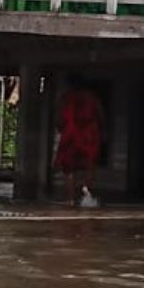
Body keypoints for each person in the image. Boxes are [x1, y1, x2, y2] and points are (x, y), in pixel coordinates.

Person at [53, 76, 105, 207]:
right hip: (89, 134)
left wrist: (62, 129)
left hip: (70, 134)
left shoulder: (65, 98)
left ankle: (70, 199)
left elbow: (59, 119)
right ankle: (86, 192)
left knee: (69, 168)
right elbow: (101, 116)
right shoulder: (92, 98)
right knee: (90, 164)